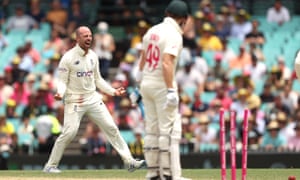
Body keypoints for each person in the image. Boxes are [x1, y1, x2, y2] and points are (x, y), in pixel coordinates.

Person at [43, 26, 145, 173]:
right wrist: (60, 93)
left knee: (111, 128)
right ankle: (50, 165)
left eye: (90, 35)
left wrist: (113, 91)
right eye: (85, 36)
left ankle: (129, 161)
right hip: (74, 100)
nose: (88, 38)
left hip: (92, 98)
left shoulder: (93, 56)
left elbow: (98, 80)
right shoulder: (68, 58)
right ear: (77, 39)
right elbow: (62, 81)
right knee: (69, 133)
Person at [134, 1, 191, 179]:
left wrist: (138, 81)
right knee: (170, 130)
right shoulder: (174, 34)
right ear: (185, 19)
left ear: (166, 13)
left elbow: (143, 58)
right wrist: (171, 91)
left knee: (152, 129)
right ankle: (169, 174)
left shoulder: (152, 30)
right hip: (161, 85)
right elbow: (166, 62)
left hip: (146, 83)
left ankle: (152, 173)